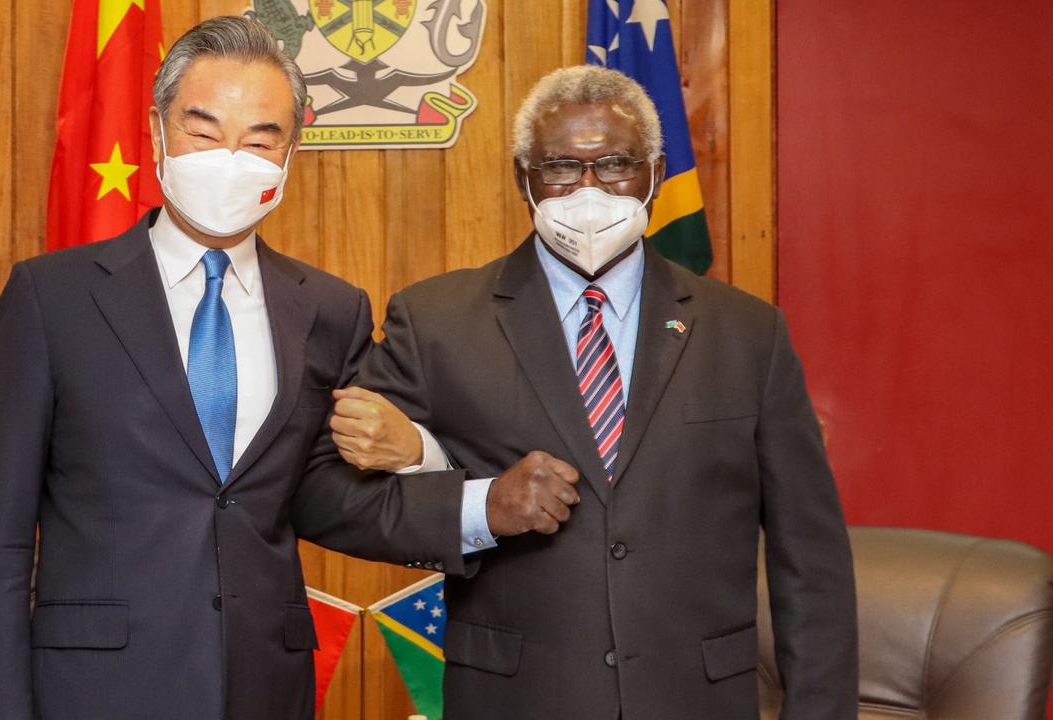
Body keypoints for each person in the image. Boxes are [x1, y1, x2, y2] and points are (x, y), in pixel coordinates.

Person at [0, 16, 571, 720]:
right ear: (158, 130)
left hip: (266, 686)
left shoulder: (329, 309)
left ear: (289, 154)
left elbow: (326, 499)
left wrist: (462, 491)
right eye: (204, 129)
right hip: (95, 689)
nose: (230, 156)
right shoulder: (51, 298)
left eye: (260, 138)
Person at [331, 65, 858, 719]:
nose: (589, 190)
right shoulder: (437, 321)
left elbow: (810, 557)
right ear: (524, 178)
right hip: (516, 701)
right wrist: (481, 508)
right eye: (560, 167)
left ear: (656, 175)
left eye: (614, 164)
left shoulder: (749, 333)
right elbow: (331, 500)